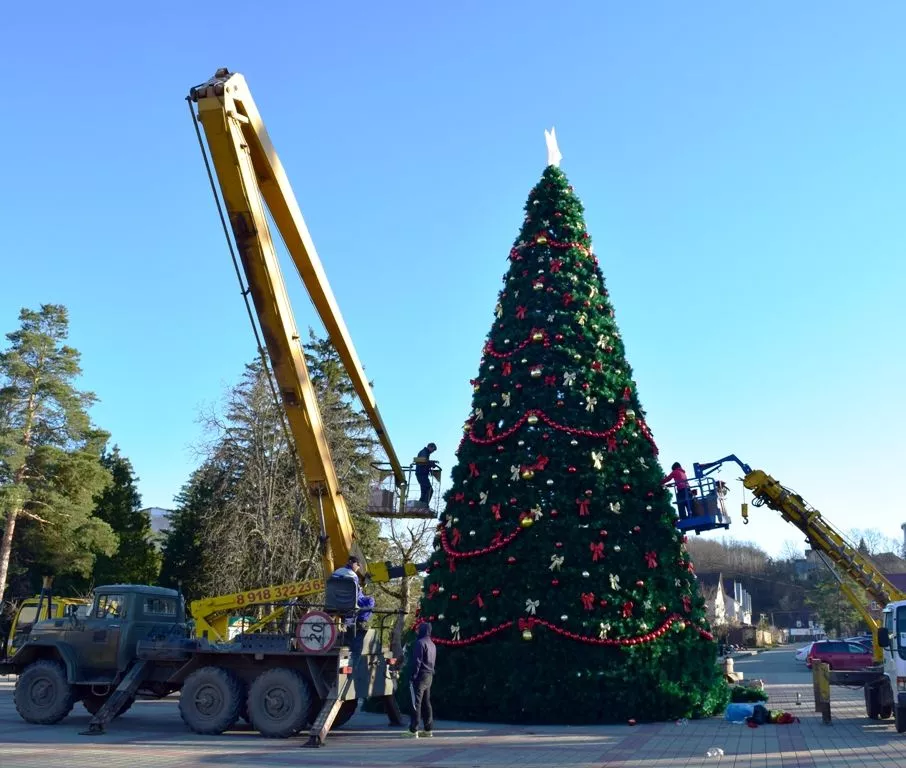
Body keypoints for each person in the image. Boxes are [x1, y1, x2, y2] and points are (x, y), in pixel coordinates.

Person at [404, 622, 436, 738]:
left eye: (419, 629)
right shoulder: (432, 644)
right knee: (426, 702)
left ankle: (413, 730)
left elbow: (417, 662)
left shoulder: (420, 643)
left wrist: (413, 676)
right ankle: (428, 729)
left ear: (422, 630)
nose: (417, 631)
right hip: (429, 675)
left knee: (415, 703)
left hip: (420, 676)